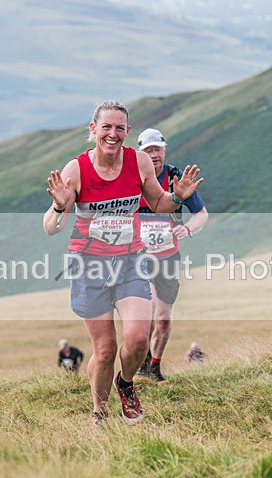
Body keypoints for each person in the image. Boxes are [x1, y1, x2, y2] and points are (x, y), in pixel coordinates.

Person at [42, 100, 203, 426]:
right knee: (104, 351)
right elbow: (49, 226)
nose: (112, 134)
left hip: (130, 261)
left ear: (127, 132)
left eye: (119, 128)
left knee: (139, 339)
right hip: (91, 267)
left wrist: (178, 198)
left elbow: (158, 202)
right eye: (106, 127)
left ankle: (126, 383)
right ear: (93, 130)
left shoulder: (139, 161)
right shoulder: (77, 170)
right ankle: (99, 412)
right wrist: (59, 208)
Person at [133, 128, 209, 383]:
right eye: (148, 151)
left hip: (168, 257)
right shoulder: (132, 178)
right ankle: (141, 364)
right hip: (139, 258)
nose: (153, 155)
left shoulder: (175, 178)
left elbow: (202, 214)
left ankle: (154, 366)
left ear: (164, 150)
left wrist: (187, 228)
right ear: (139, 153)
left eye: (157, 149)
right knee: (150, 313)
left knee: (163, 320)